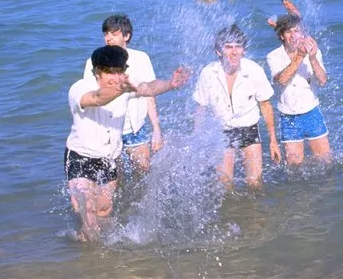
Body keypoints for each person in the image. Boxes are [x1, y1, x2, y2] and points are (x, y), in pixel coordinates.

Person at [66, 45, 189, 242]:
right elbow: (97, 99)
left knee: (104, 211)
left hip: (109, 158)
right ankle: (93, 259)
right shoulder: (79, 88)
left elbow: (149, 88)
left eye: (119, 71)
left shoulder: (123, 87)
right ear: (97, 71)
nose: (115, 78)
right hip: (81, 157)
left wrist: (170, 84)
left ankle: (89, 246)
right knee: (88, 212)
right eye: (109, 72)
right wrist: (122, 88)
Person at [193, 25, 281, 190]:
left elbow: (266, 105)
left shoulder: (253, 70)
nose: (234, 52)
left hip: (249, 129)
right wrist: (199, 141)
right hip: (222, 132)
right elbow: (200, 109)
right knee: (225, 185)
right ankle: (231, 214)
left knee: (255, 183)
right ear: (219, 51)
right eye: (228, 47)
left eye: (238, 46)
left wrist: (273, 141)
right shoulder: (208, 73)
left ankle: (254, 214)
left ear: (243, 50)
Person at [84, 14, 160, 172]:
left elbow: (149, 94)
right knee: (113, 179)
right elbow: (91, 97)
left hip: (135, 127)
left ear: (126, 36)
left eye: (114, 33)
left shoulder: (141, 58)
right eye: (106, 34)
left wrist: (156, 130)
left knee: (144, 170)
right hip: (108, 129)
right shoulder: (93, 62)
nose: (108, 38)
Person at [266, 14, 332, 167]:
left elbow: (322, 81)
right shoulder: (273, 56)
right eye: (289, 32)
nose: (293, 36)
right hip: (289, 116)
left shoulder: (314, 51)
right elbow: (281, 80)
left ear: (302, 34)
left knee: (326, 161)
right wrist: (300, 56)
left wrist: (313, 58)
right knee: (294, 166)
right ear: (282, 36)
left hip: (312, 111)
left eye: (297, 31)